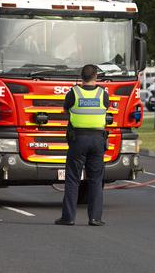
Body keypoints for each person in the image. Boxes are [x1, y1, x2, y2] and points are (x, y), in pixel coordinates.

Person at [55, 65, 110, 226]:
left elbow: (66, 110)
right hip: (98, 140)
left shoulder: (73, 93)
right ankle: (95, 218)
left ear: (81, 77)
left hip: (78, 139)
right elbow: (105, 109)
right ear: (96, 76)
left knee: (72, 179)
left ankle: (69, 217)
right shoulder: (103, 94)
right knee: (95, 180)